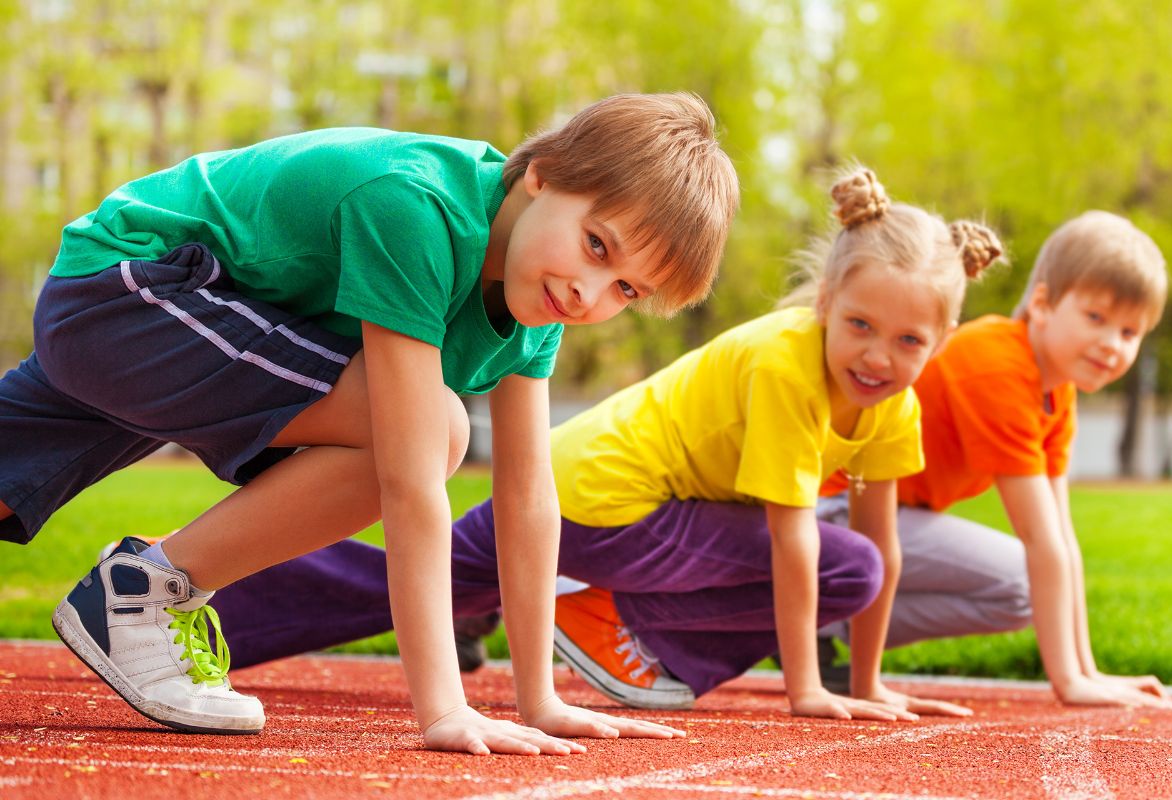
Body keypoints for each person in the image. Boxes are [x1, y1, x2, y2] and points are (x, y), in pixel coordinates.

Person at [0, 93, 740, 753]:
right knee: (433, 431)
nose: (589, 294)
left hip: (183, 321)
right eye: (597, 245)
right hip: (131, 291)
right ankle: (144, 590)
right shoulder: (415, 207)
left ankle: (142, 587)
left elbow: (527, 496)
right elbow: (410, 476)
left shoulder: (535, 302)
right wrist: (445, 710)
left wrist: (538, 698)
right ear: (543, 174)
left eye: (626, 289)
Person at [198, 168, 1002, 722]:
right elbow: (798, 544)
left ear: (942, 340)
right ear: (827, 301)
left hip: (595, 492)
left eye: (906, 341)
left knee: (426, 579)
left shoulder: (892, 399)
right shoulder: (786, 365)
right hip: (606, 500)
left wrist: (871, 684)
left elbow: (887, 545)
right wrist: (807, 691)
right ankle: (608, 628)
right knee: (841, 566)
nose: (877, 356)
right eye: (859, 325)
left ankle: (200, 611)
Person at [556, 210, 1172, 711]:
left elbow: (1064, 536)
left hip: (866, 514)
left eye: (1128, 332)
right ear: (1040, 303)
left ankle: (826, 633)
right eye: (1095, 317)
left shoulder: (1054, 390)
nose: (1110, 344)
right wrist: (1069, 683)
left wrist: (1092, 671)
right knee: (1010, 575)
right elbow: (1040, 539)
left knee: (1003, 585)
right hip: (822, 501)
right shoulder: (997, 363)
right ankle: (812, 627)